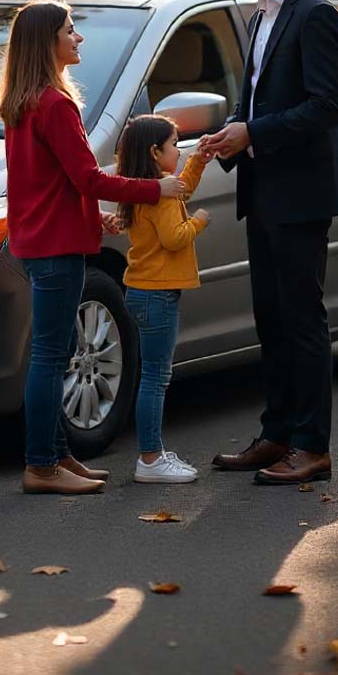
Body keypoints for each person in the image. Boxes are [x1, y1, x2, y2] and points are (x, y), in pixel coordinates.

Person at [0, 0, 188, 495]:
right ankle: (41, 465)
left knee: (52, 354)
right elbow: (86, 177)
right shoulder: (56, 105)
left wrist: (93, 219)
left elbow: (46, 184)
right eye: (69, 30)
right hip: (57, 251)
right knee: (50, 358)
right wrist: (154, 190)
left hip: (39, 241)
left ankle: (58, 455)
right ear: (47, 43)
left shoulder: (22, 103)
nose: (77, 38)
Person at [199, 0, 338, 486]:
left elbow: (325, 108)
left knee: (303, 319)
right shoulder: (261, 15)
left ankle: (313, 448)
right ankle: (278, 434)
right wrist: (232, 131)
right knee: (271, 316)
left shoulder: (316, 14)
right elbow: (257, 95)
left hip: (302, 194)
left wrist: (253, 132)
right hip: (260, 188)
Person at [116, 115, 210, 483]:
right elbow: (174, 237)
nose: (179, 149)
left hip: (141, 291)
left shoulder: (145, 189)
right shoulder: (161, 196)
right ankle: (151, 459)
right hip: (158, 295)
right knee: (156, 377)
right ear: (155, 152)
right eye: (175, 145)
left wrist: (197, 161)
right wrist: (199, 221)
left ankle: (152, 451)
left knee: (151, 374)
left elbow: (181, 187)